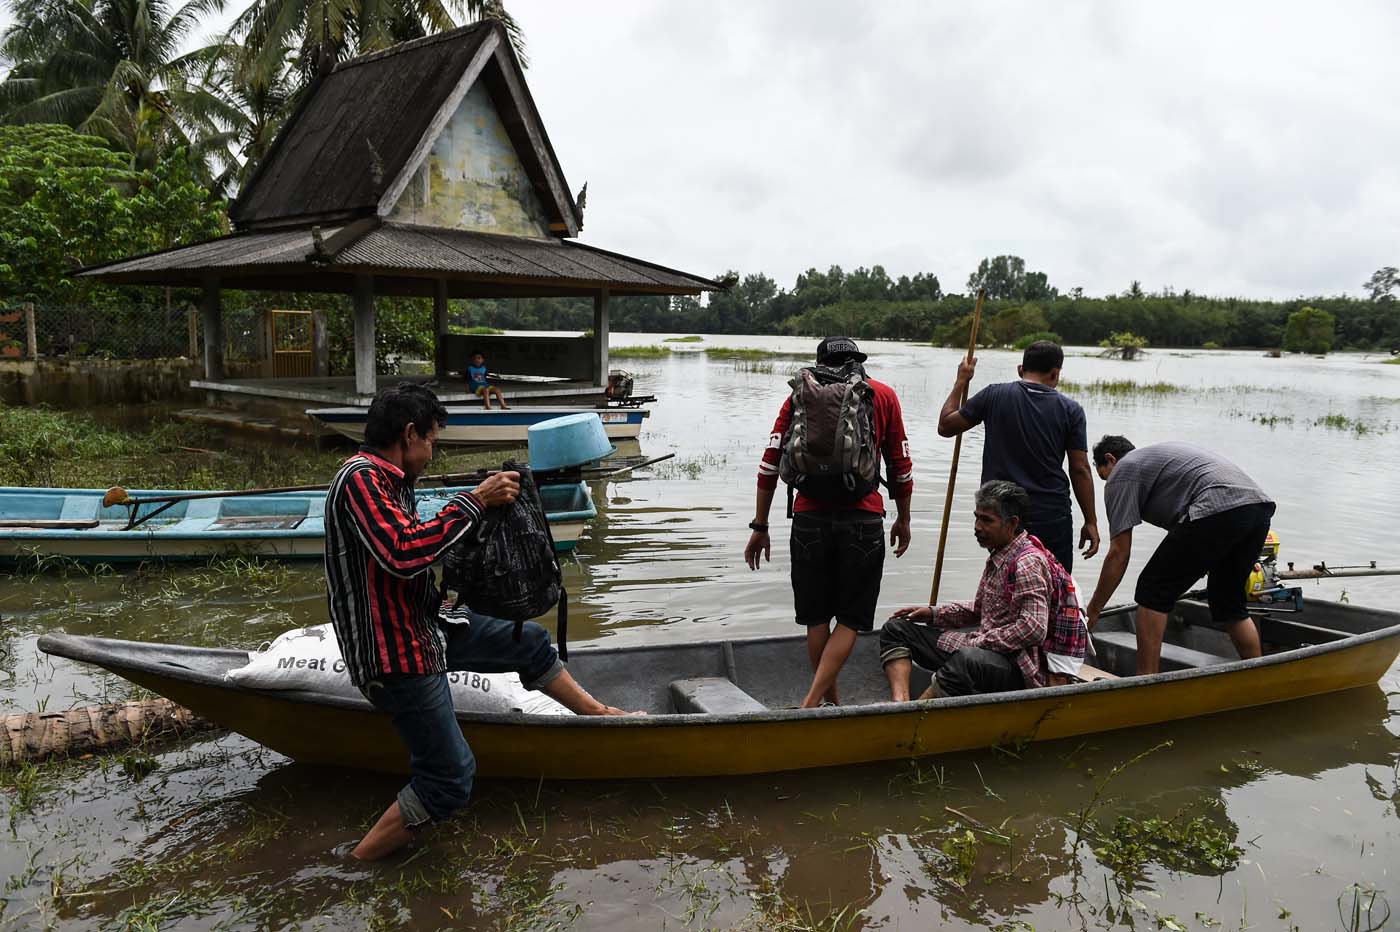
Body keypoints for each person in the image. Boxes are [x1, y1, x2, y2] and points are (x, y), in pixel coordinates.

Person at [324, 382, 629, 861]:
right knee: (449, 778)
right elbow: (403, 553)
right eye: (431, 442)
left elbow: (416, 553)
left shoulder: (392, 483)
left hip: (426, 627)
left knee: (527, 640)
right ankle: (353, 868)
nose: (431, 453)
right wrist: (474, 500)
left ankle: (598, 716)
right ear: (409, 435)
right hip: (395, 652)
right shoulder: (361, 479)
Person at [744, 336, 914, 708]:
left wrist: (760, 526)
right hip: (864, 518)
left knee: (817, 617)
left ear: (820, 362)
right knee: (851, 619)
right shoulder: (881, 394)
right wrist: (903, 518)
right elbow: (900, 466)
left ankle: (826, 703)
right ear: (858, 361)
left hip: (809, 519)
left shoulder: (799, 395)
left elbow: (769, 462)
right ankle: (814, 702)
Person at [1082, 436, 1276, 675]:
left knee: (1152, 590)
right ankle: (1258, 674)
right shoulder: (1156, 464)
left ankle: (1146, 683)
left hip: (1217, 506)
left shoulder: (1124, 470)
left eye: (1104, 476)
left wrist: (1093, 612)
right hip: (1257, 508)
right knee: (1228, 601)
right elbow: (1191, 536)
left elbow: (1119, 553)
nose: (1108, 484)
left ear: (1110, 459)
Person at [881, 480, 1054, 699]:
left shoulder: (1027, 563)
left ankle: (913, 716)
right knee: (895, 629)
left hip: (1014, 666)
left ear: (1011, 524)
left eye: (986, 520)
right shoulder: (998, 556)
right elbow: (980, 610)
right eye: (976, 517)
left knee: (966, 659)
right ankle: (900, 703)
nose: (977, 527)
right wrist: (934, 614)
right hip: (982, 649)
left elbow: (1033, 628)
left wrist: (982, 641)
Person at [937, 340, 1099, 571]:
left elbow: (945, 426)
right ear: (1055, 373)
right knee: (1055, 586)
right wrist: (1090, 520)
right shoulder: (1070, 409)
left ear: (1020, 369)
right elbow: (1080, 469)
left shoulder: (993, 395)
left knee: (1005, 585)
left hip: (1002, 516)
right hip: (1050, 514)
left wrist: (961, 381)